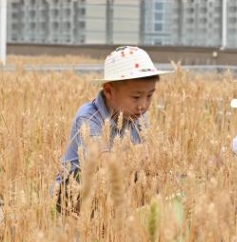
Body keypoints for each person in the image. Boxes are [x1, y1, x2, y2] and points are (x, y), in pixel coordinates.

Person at [56, 46, 171, 212]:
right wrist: (138, 157)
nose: (143, 105)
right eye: (136, 97)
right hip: (75, 193)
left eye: (150, 95)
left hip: (117, 188)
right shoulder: (88, 118)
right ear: (109, 91)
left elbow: (145, 163)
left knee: (154, 184)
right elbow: (103, 164)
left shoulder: (139, 118)